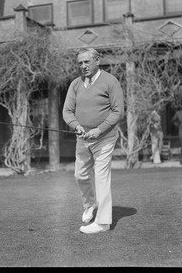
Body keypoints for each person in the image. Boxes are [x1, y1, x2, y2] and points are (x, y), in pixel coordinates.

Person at [62, 48, 124, 234]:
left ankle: (103, 222)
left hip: (104, 138)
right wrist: (76, 126)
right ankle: (90, 205)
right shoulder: (75, 84)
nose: (83, 66)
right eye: (80, 63)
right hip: (83, 138)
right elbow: (67, 111)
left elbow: (117, 111)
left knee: (101, 177)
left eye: (87, 62)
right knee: (80, 175)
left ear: (98, 60)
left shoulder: (111, 81)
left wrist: (99, 130)